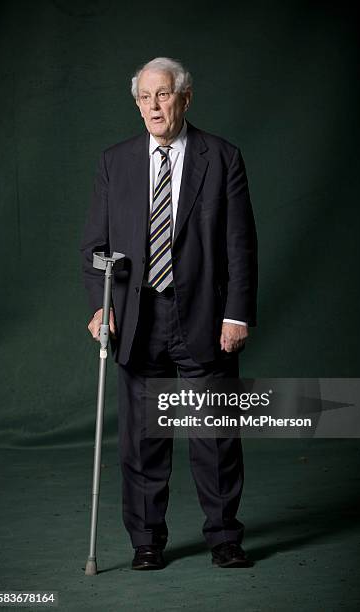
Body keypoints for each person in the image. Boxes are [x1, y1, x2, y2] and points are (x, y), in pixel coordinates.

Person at [80, 57, 258, 570]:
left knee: (216, 433)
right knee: (142, 439)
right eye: (144, 98)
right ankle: (147, 542)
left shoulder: (222, 157)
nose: (153, 106)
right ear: (136, 104)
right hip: (137, 318)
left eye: (163, 95)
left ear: (185, 98)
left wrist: (237, 314)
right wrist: (101, 307)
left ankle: (224, 536)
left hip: (204, 314)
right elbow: (96, 248)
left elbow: (240, 246)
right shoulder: (115, 162)